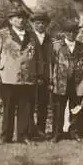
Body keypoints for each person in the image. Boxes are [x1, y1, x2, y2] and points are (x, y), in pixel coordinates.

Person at [0, 8, 40, 145]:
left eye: (23, 17)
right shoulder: (1, 35)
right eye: (17, 17)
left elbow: (36, 56)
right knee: (8, 109)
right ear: (11, 20)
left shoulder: (32, 36)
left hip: (27, 78)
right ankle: (5, 137)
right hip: (8, 77)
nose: (21, 20)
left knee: (25, 108)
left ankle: (23, 136)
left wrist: (37, 74)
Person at [50, 21, 83, 143]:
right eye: (68, 32)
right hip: (61, 83)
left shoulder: (82, 47)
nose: (71, 34)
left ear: (77, 32)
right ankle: (57, 134)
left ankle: (74, 133)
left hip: (77, 83)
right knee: (58, 109)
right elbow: (50, 65)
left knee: (76, 108)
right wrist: (51, 81)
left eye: (74, 32)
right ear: (64, 33)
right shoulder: (56, 46)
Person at [29, 11, 52, 139]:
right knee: (30, 104)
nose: (40, 25)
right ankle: (30, 130)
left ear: (47, 24)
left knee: (43, 104)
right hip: (31, 76)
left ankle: (41, 130)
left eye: (43, 23)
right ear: (32, 24)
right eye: (37, 23)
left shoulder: (50, 39)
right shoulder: (28, 37)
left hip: (46, 77)